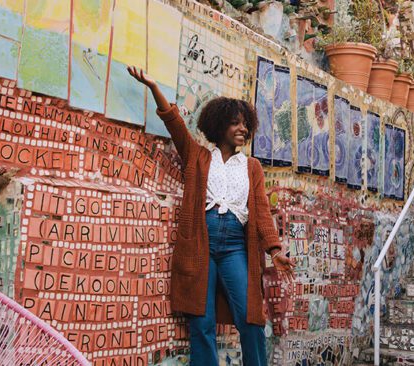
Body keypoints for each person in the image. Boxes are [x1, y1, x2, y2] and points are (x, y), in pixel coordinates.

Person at [127, 66, 296, 366]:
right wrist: (153, 87)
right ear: (219, 127)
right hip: (200, 245)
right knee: (201, 321)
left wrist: (275, 250)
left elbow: (261, 212)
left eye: (245, 124)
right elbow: (174, 124)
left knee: (251, 319)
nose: (242, 129)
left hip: (234, 247)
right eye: (235, 123)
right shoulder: (199, 156)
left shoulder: (252, 167)